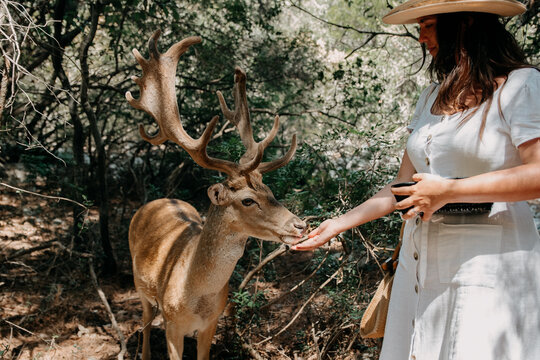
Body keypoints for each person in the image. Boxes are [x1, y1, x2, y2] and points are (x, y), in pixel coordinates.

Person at [292, 0, 540, 358]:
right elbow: (402, 186)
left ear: (465, 23)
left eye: (428, 25)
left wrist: (449, 191)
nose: (421, 38)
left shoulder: (521, 85)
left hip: (489, 264)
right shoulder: (431, 97)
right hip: (419, 259)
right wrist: (337, 223)